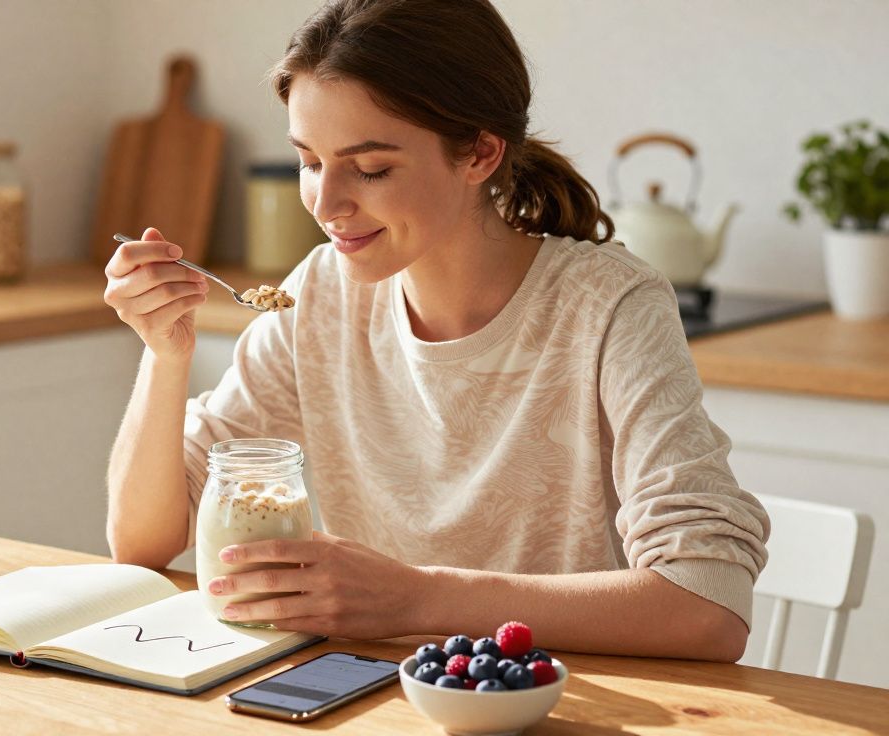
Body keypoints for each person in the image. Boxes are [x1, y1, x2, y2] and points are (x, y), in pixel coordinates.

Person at [102, 0, 768, 661]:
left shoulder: (609, 306)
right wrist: (166, 355)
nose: (327, 205)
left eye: (370, 168)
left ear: (479, 153)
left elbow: (707, 604)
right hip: (375, 698)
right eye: (309, 161)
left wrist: (418, 599)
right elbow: (143, 541)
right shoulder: (318, 294)